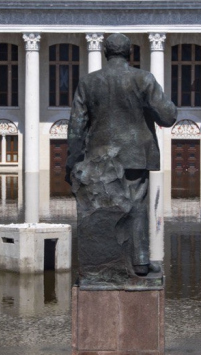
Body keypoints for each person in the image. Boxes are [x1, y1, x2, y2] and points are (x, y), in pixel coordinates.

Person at [67, 34, 177, 276]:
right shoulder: (143, 79)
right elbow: (168, 116)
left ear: (106, 53)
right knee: (137, 205)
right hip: (136, 154)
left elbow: (76, 125)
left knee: (102, 208)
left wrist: (72, 161)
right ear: (129, 53)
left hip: (100, 159)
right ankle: (139, 262)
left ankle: (99, 265)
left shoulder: (88, 82)